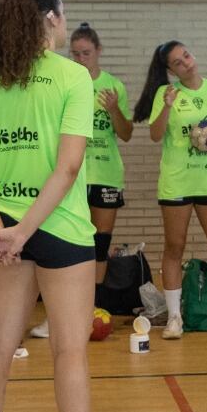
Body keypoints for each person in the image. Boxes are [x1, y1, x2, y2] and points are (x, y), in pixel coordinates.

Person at [0, 0, 132, 412]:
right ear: (53, 20)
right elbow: (69, 166)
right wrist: (25, 230)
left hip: (10, 232)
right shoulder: (72, 77)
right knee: (68, 351)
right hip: (58, 231)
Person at [132, 40, 207, 339]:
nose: (186, 62)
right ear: (170, 70)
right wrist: (168, 106)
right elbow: (156, 135)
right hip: (176, 183)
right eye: (178, 62)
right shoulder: (165, 93)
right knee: (174, 248)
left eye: (186, 55)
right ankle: (174, 318)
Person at [69, 23, 133, 304]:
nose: (81, 59)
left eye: (86, 53)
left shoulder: (113, 85)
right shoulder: (69, 81)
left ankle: (94, 303)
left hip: (106, 173)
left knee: (101, 241)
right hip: (75, 173)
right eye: (75, 54)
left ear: (98, 52)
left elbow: (126, 133)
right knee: (73, 239)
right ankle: (71, 300)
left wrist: (114, 108)